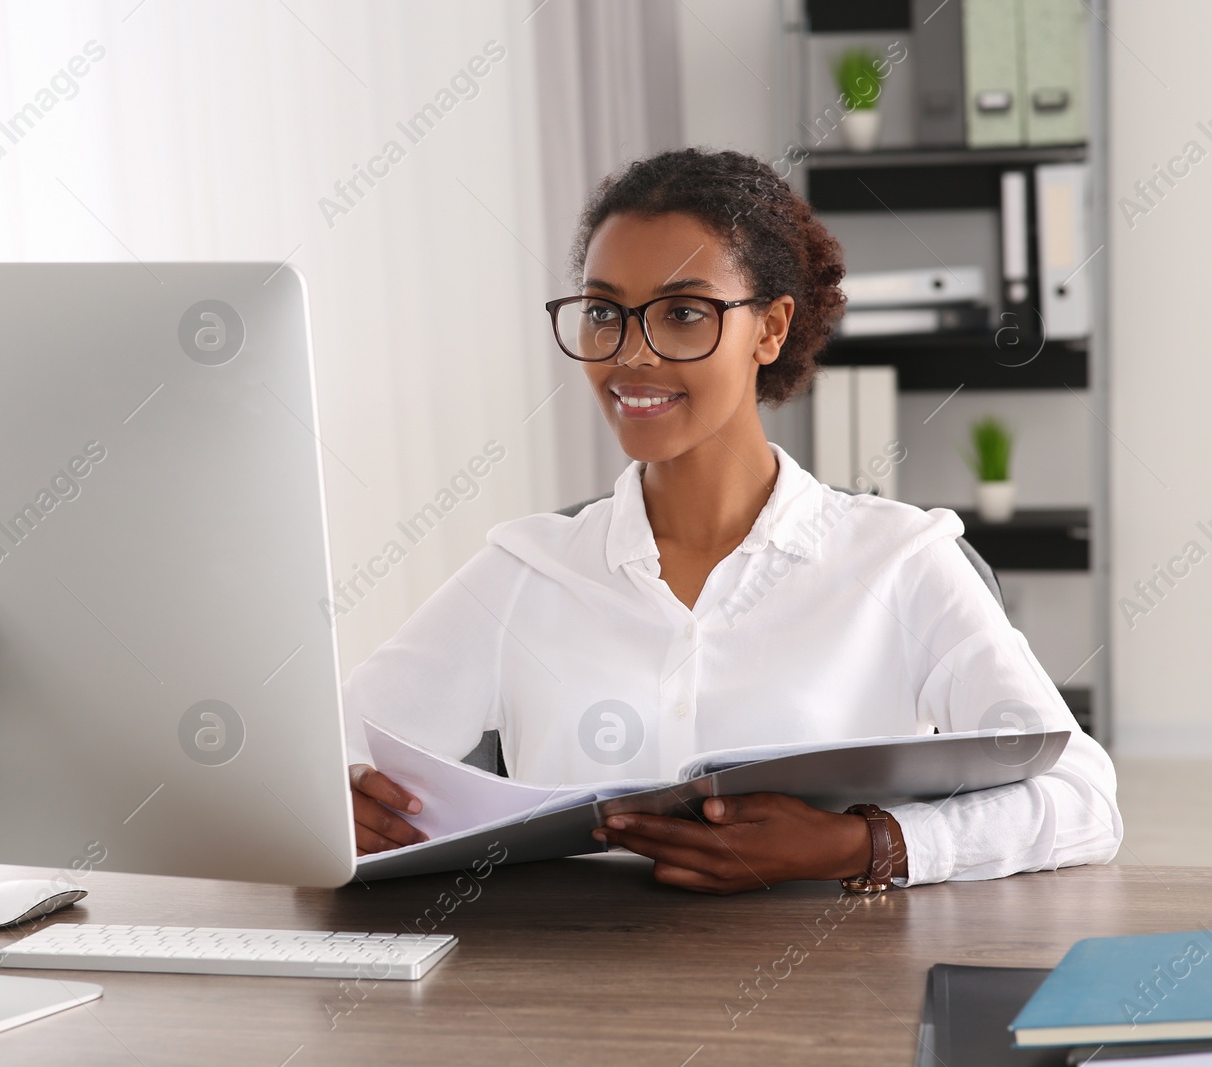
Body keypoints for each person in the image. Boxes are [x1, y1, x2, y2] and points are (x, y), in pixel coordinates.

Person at [341, 147, 1122, 894]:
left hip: (827, 1001)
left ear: (771, 328)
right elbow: (319, 753)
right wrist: (338, 800)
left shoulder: (899, 561)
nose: (632, 355)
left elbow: (1084, 797)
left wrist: (862, 843)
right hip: (575, 1004)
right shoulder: (526, 570)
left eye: (683, 313)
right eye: (605, 313)